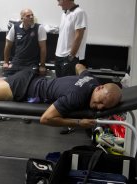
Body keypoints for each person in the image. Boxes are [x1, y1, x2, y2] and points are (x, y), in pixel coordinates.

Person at [56, 0, 88, 134]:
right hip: (59, 56)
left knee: (70, 91)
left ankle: (71, 123)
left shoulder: (79, 13)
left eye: (59, 0)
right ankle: (61, 119)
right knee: (60, 90)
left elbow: (79, 35)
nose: (58, 4)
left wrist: (71, 57)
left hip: (69, 58)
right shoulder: (65, 14)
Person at [3, 8, 47, 76]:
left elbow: (43, 48)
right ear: (22, 18)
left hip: (31, 63)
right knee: (7, 78)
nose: (31, 17)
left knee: (26, 80)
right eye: (28, 16)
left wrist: (42, 65)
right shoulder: (15, 27)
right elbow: (8, 45)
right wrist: (6, 62)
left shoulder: (39, 28)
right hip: (17, 62)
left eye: (32, 15)